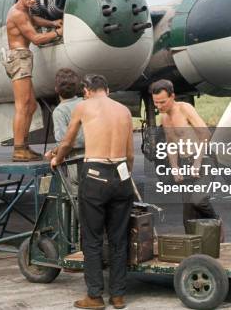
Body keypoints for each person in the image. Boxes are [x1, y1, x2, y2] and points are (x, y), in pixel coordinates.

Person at [51, 74, 134, 310]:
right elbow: (129, 155)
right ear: (106, 89)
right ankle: (118, 296)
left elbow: (66, 143)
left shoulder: (82, 107)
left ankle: (95, 297)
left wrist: (57, 159)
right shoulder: (124, 110)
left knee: (92, 239)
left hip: (95, 174)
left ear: (86, 90)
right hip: (121, 175)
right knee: (119, 239)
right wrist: (124, 176)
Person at [4, 0, 63, 162]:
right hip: (19, 58)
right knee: (22, 106)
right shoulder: (17, 14)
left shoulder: (24, 10)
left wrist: (53, 23)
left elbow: (33, 19)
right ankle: (18, 149)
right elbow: (36, 39)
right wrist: (59, 33)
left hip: (24, 58)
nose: (32, 0)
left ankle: (24, 146)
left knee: (31, 105)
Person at [150, 79, 222, 228]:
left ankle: (217, 222)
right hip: (185, 164)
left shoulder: (185, 109)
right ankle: (197, 245)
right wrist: (175, 168)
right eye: (156, 103)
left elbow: (206, 135)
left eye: (162, 102)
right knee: (188, 218)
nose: (159, 106)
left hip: (204, 160)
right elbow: (171, 144)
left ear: (172, 96)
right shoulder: (164, 117)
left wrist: (197, 162)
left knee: (199, 200)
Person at [45, 68, 85, 189]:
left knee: (72, 197)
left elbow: (65, 142)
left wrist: (55, 156)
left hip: (75, 161)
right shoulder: (85, 103)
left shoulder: (60, 111)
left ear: (56, 89)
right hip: (95, 157)